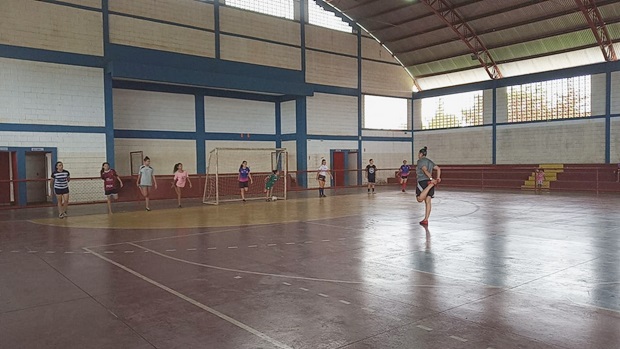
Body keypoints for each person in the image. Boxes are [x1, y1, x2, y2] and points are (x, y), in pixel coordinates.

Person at [415, 146, 441, 225]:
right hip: (430, 181)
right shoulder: (430, 161)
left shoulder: (420, 161)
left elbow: (424, 169)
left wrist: (431, 179)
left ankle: (430, 185)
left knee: (419, 199)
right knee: (428, 201)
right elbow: (438, 169)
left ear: (421, 154)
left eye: (418, 154)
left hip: (423, 181)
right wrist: (438, 177)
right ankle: (426, 219)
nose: (418, 155)